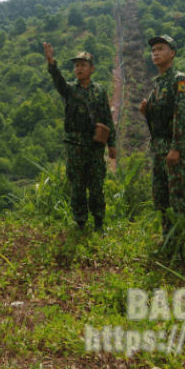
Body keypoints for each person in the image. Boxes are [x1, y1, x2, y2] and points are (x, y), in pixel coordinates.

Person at [43, 43, 117, 233]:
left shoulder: (100, 90)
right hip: (75, 146)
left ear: (91, 69)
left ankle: (99, 223)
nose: (79, 68)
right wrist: (51, 61)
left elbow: (107, 118)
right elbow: (58, 79)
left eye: (83, 65)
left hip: (95, 147)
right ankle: (80, 223)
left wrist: (112, 144)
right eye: (76, 66)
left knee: (96, 186)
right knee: (77, 186)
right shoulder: (69, 90)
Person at [138, 35, 185, 240]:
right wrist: (147, 111)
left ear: (172, 53)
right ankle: (168, 240)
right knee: (160, 198)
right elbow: (159, 118)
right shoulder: (158, 84)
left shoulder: (179, 81)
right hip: (158, 148)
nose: (155, 53)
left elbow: (182, 116)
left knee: (178, 198)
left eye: (160, 49)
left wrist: (177, 148)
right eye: (153, 50)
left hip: (173, 149)